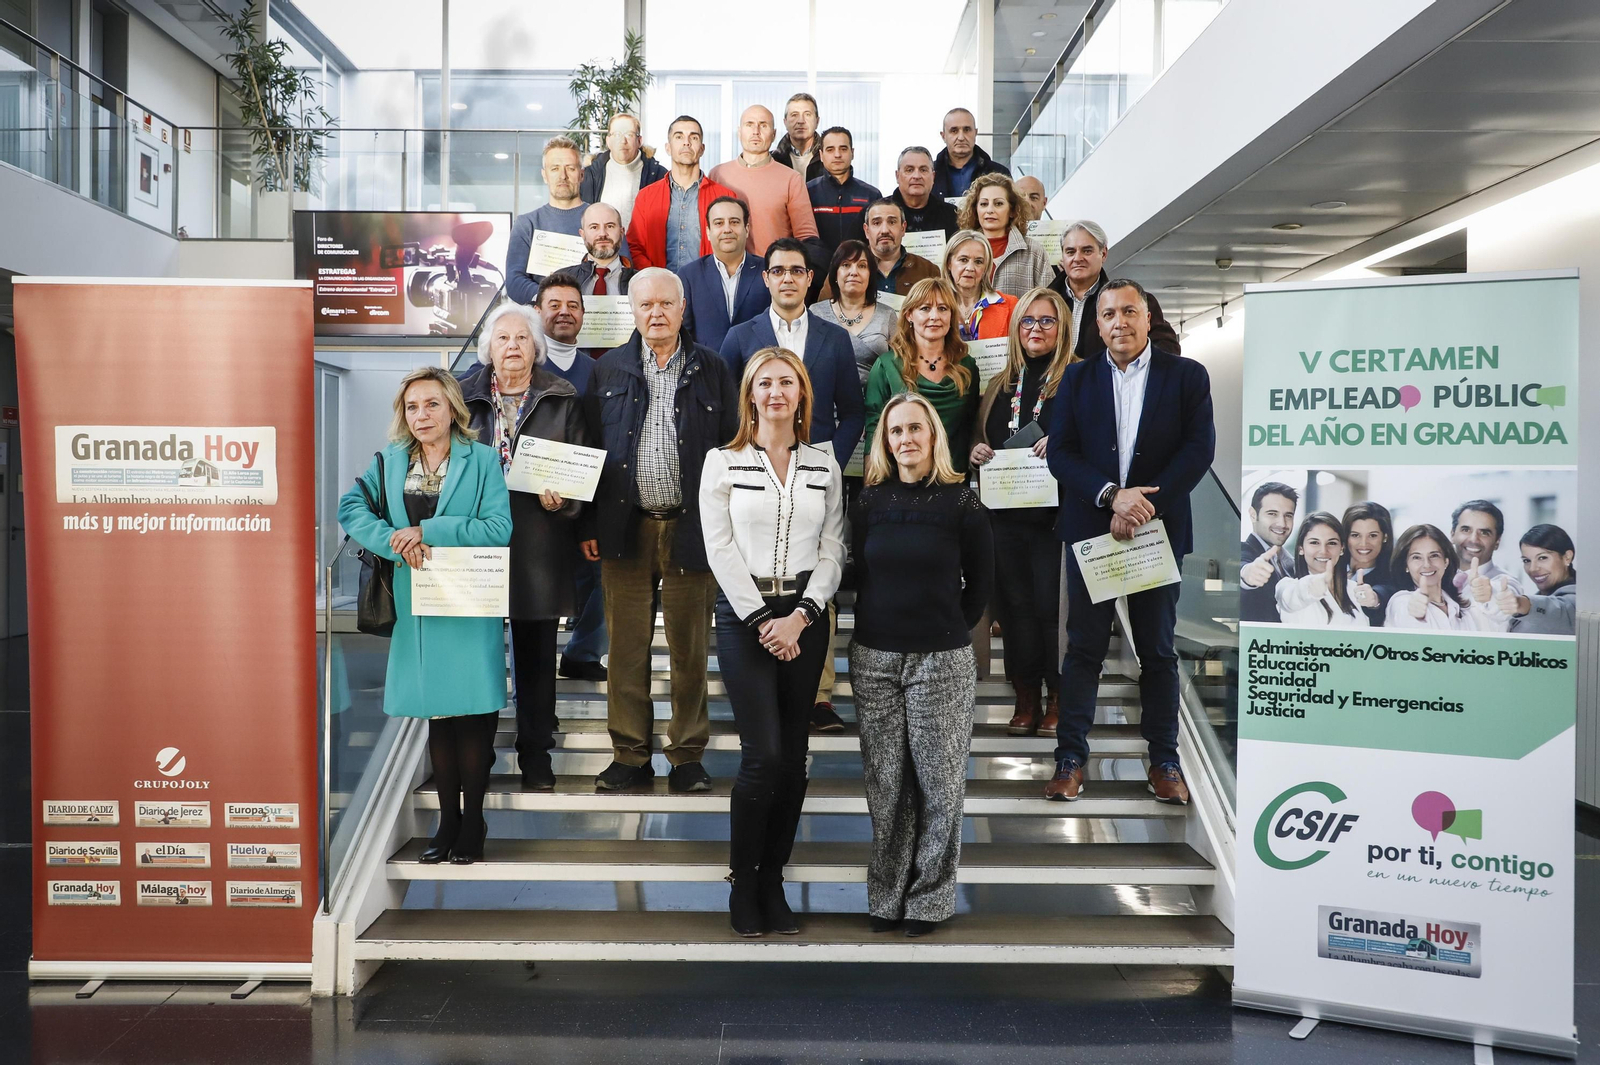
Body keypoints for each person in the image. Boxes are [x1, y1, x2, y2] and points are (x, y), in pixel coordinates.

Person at [1045, 279, 1215, 804]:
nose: (1119, 322)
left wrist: (1144, 506)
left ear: (1148, 318)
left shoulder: (1186, 376)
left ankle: (1164, 760)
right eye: (1109, 314)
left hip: (1156, 534)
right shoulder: (1075, 379)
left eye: (1129, 311)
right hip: (1093, 533)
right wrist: (1111, 496)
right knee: (1084, 650)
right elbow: (1061, 454)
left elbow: (1198, 450)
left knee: (1158, 651)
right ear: (1096, 325)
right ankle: (1070, 758)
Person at [337, 367, 512, 863]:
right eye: (412, 407)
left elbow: (498, 527)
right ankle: (448, 820)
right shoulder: (390, 461)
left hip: (467, 598)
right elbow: (351, 509)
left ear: (453, 408)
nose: (421, 415)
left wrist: (429, 530)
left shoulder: (481, 460)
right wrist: (393, 542)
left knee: (474, 714)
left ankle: (473, 819)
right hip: (417, 601)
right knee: (438, 716)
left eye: (432, 404)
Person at [700, 347, 846, 936]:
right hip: (746, 616)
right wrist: (764, 619)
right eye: (766, 383)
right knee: (763, 757)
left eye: (787, 382)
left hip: (805, 618)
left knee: (795, 760)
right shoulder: (722, 460)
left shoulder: (824, 464)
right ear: (751, 396)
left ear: (802, 393)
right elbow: (719, 547)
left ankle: (773, 878)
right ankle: (742, 879)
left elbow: (834, 547)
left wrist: (804, 614)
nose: (777, 392)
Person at [585, 268, 740, 792]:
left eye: (665, 304)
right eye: (645, 304)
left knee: (689, 651)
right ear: (632, 311)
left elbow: (732, 450)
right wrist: (589, 523)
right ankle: (629, 755)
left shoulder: (713, 368)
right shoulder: (607, 372)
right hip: (625, 530)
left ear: (682, 308)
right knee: (625, 650)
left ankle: (686, 756)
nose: (656, 313)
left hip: (692, 528)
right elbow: (586, 454)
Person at [850, 391, 993, 936]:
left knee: (940, 783)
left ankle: (930, 898)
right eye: (895, 431)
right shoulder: (868, 503)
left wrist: (944, 626)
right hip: (875, 658)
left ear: (933, 435)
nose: (905, 439)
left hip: (941, 660)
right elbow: (859, 572)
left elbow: (980, 586)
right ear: (884, 442)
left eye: (915, 429)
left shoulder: (963, 504)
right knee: (887, 784)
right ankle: (887, 895)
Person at [457, 304, 594, 790]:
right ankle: (478, 760)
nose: (512, 346)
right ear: (487, 349)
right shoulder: (461, 400)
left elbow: (581, 477)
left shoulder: (563, 397)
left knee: (537, 662)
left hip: (538, 544)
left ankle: (537, 756)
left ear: (536, 346)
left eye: (521, 337)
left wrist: (566, 501)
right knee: (480, 658)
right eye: (502, 338)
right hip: (476, 549)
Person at [969, 287, 1075, 737]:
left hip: (1055, 523)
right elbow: (982, 436)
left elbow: (1097, 440)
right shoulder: (1001, 384)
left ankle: (1058, 697)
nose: (1035, 329)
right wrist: (976, 451)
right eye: (1027, 322)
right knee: (1013, 611)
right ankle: (1025, 695)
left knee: (1053, 612)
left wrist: (1063, 444)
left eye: (1046, 321)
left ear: (1062, 327)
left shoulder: (1077, 379)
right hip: (1005, 521)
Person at [719, 237, 864, 470]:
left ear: (809, 278)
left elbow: (853, 413)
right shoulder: (739, 337)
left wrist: (832, 464)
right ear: (766, 278)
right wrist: (742, 458)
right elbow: (723, 409)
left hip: (818, 468)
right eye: (778, 271)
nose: (787, 279)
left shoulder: (836, 338)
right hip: (756, 467)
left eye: (796, 271)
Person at [532, 272, 606, 678]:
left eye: (573, 305)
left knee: (605, 578)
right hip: (528, 505)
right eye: (554, 305)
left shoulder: (599, 370)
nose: (564, 313)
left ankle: (581, 653)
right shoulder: (519, 364)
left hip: (583, 504)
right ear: (537, 311)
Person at [863, 277, 981, 473]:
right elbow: (874, 430)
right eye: (925, 308)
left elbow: (971, 425)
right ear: (909, 314)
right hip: (900, 478)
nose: (934, 316)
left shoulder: (967, 367)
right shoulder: (886, 366)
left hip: (952, 478)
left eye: (943, 309)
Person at [1048, 220, 1181, 357]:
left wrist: (1130, 372)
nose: (1077, 258)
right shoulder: (1042, 304)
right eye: (1070, 252)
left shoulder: (1136, 301)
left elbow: (1167, 349)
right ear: (1063, 255)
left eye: (1087, 251)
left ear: (1104, 253)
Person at [627, 115, 736, 272]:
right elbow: (634, 246)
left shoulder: (724, 198)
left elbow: (732, 246)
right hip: (659, 289)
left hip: (708, 288)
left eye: (694, 137)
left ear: (702, 148)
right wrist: (655, 277)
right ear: (668, 147)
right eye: (679, 136)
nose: (686, 142)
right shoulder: (646, 197)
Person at [709, 105, 822, 256]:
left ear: (774, 134)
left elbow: (806, 236)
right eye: (749, 125)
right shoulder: (718, 175)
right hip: (725, 274)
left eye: (763, 125)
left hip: (774, 273)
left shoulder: (791, 178)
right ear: (739, 131)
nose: (756, 131)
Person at [678, 195, 771, 352]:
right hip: (706, 370)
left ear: (746, 229)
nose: (727, 229)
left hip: (758, 371)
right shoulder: (688, 275)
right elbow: (682, 334)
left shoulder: (768, 270)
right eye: (719, 223)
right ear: (708, 232)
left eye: (734, 222)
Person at [506, 135, 589, 304]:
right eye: (555, 169)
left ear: (581, 174)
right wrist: (555, 300)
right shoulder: (527, 224)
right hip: (540, 324)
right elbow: (514, 282)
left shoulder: (603, 220)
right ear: (544, 175)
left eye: (570, 168)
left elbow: (622, 274)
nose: (563, 176)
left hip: (594, 319)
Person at [1386, 524, 1510, 632]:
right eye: (1416, 557)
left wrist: (1490, 598)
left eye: (1434, 555)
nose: (1427, 564)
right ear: (1405, 565)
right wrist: (1414, 611)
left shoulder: (1462, 608)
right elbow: (1403, 612)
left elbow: (1496, 630)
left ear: (1445, 562)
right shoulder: (1400, 602)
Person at [810, 240, 897, 385]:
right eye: (846, 265)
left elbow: (898, 368)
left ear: (870, 275)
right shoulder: (816, 313)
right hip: (827, 403)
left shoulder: (887, 315)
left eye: (862, 266)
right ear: (835, 274)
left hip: (876, 403)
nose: (854, 272)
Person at [957, 173, 1051, 298]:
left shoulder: (1033, 251)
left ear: (1012, 210)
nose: (990, 210)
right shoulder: (959, 248)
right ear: (975, 209)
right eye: (984, 204)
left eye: (998, 204)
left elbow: (1050, 299)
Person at [1274, 512, 1370, 628]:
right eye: (1314, 542)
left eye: (1332, 543)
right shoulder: (1288, 586)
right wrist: (1310, 588)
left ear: (1342, 549)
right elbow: (1290, 598)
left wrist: (1374, 603)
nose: (1323, 551)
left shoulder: (1355, 590)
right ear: (1301, 549)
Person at [578, 113, 666, 231]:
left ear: (639, 141)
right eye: (617, 134)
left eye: (629, 135)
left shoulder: (659, 175)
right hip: (601, 246)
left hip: (643, 248)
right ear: (608, 141)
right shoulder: (590, 175)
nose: (623, 141)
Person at [807, 127, 881, 256]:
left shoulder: (871, 195)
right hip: (817, 271)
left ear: (852, 153)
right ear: (821, 155)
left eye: (843, 149)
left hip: (858, 270)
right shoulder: (807, 192)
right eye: (830, 150)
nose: (837, 155)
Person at [1239, 481, 1298, 623]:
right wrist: (1247, 574)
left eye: (1288, 515)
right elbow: (1242, 566)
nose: (1282, 524)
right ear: (1253, 515)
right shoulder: (1243, 551)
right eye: (1272, 514)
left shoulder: (1291, 564)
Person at [943, 230, 1017, 341]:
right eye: (963, 260)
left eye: (978, 262)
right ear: (949, 263)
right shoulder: (932, 306)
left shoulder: (1012, 305)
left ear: (986, 268)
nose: (970, 268)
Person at [1510, 524, 1577, 634]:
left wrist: (1521, 603)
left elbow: (1559, 610)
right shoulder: (1542, 595)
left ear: (1567, 557)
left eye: (1542, 558)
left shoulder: (1580, 601)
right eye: (1527, 561)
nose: (1533, 569)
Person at [932, 108, 1010, 201]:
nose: (961, 137)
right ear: (943, 136)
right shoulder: (929, 174)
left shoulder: (999, 172)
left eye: (967, 130)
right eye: (954, 131)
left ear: (975, 133)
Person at [1450, 499, 1524, 598]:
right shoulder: (1437, 576)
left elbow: (1509, 596)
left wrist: (1491, 592)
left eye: (1484, 533)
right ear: (1452, 534)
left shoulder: (1506, 583)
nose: (1474, 539)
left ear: (1497, 541)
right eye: (1466, 530)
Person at [1342, 501, 1397, 626]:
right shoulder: (1332, 567)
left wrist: (1373, 600)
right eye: (1355, 535)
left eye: (1372, 535)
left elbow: (1384, 593)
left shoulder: (1393, 577)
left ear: (1385, 537)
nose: (1363, 543)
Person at [892, 147, 959, 240]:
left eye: (923, 170)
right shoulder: (879, 213)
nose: (916, 176)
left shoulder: (952, 215)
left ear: (933, 176)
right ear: (897, 176)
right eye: (909, 170)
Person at [570, 202, 635, 295]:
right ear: (582, 234)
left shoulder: (643, 282)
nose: (602, 234)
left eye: (610, 226)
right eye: (594, 227)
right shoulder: (562, 280)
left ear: (621, 232)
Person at [772, 92, 825, 181]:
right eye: (794, 115)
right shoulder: (773, 160)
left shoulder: (829, 158)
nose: (801, 121)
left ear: (817, 121)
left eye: (807, 114)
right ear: (785, 122)